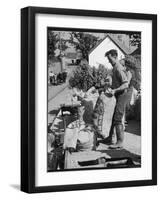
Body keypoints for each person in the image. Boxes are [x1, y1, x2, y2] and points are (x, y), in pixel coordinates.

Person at [104, 49, 130, 149]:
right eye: (108, 59)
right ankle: (109, 138)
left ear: (115, 57)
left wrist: (115, 90)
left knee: (117, 118)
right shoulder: (114, 67)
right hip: (117, 95)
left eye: (110, 59)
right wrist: (109, 85)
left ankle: (119, 142)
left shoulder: (119, 68)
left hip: (122, 95)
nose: (109, 61)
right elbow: (116, 82)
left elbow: (125, 84)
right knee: (113, 116)